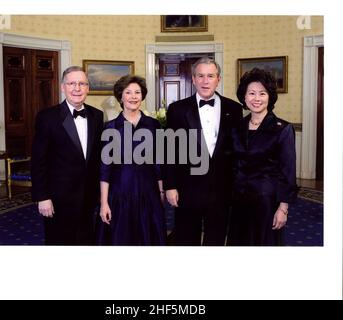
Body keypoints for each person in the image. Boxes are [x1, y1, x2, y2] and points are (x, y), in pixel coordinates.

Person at [164, 56, 243, 245]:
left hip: (221, 189)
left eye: (210, 76)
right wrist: (170, 185)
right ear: (193, 79)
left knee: (216, 237)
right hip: (187, 188)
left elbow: (237, 152)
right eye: (200, 76)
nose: (205, 81)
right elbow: (168, 150)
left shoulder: (235, 109)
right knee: (185, 237)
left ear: (218, 79)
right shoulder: (176, 109)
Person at [31, 66, 103, 245]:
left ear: (88, 88)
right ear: (63, 87)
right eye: (72, 83)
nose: (77, 88)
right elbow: (38, 161)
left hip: (88, 197)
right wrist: (42, 197)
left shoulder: (97, 115)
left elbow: (98, 158)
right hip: (57, 199)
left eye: (82, 84)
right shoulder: (47, 117)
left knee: (86, 241)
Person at [227, 68, 297, 246]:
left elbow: (287, 172)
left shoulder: (283, 129)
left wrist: (283, 208)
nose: (256, 98)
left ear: (270, 97)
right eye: (251, 93)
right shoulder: (237, 127)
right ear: (244, 96)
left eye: (262, 93)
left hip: (266, 202)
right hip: (239, 201)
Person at [96, 75, 167, 245]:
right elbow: (105, 168)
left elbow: (159, 162)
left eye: (137, 92)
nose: (133, 96)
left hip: (148, 192)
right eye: (128, 92)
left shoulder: (153, 125)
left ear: (142, 96)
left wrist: (161, 191)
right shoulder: (110, 127)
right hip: (120, 193)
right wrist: (104, 203)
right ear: (120, 96)